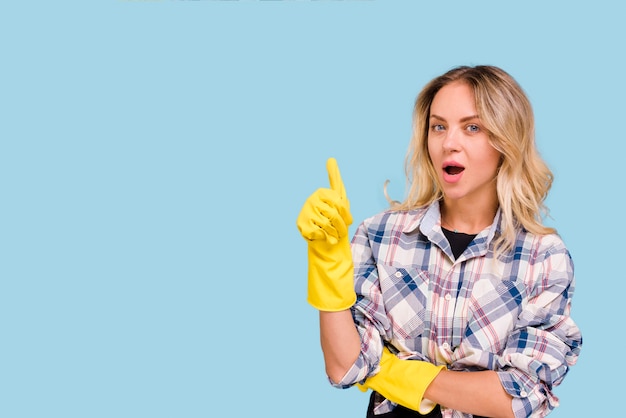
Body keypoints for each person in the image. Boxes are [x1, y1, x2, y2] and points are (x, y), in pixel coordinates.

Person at [296, 65, 582, 418]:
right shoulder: (381, 236)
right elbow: (345, 367)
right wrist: (327, 263)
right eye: (439, 126)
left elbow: (518, 397)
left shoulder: (543, 257)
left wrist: (396, 373)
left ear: (506, 140)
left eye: (472, 127)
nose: (449, 143)